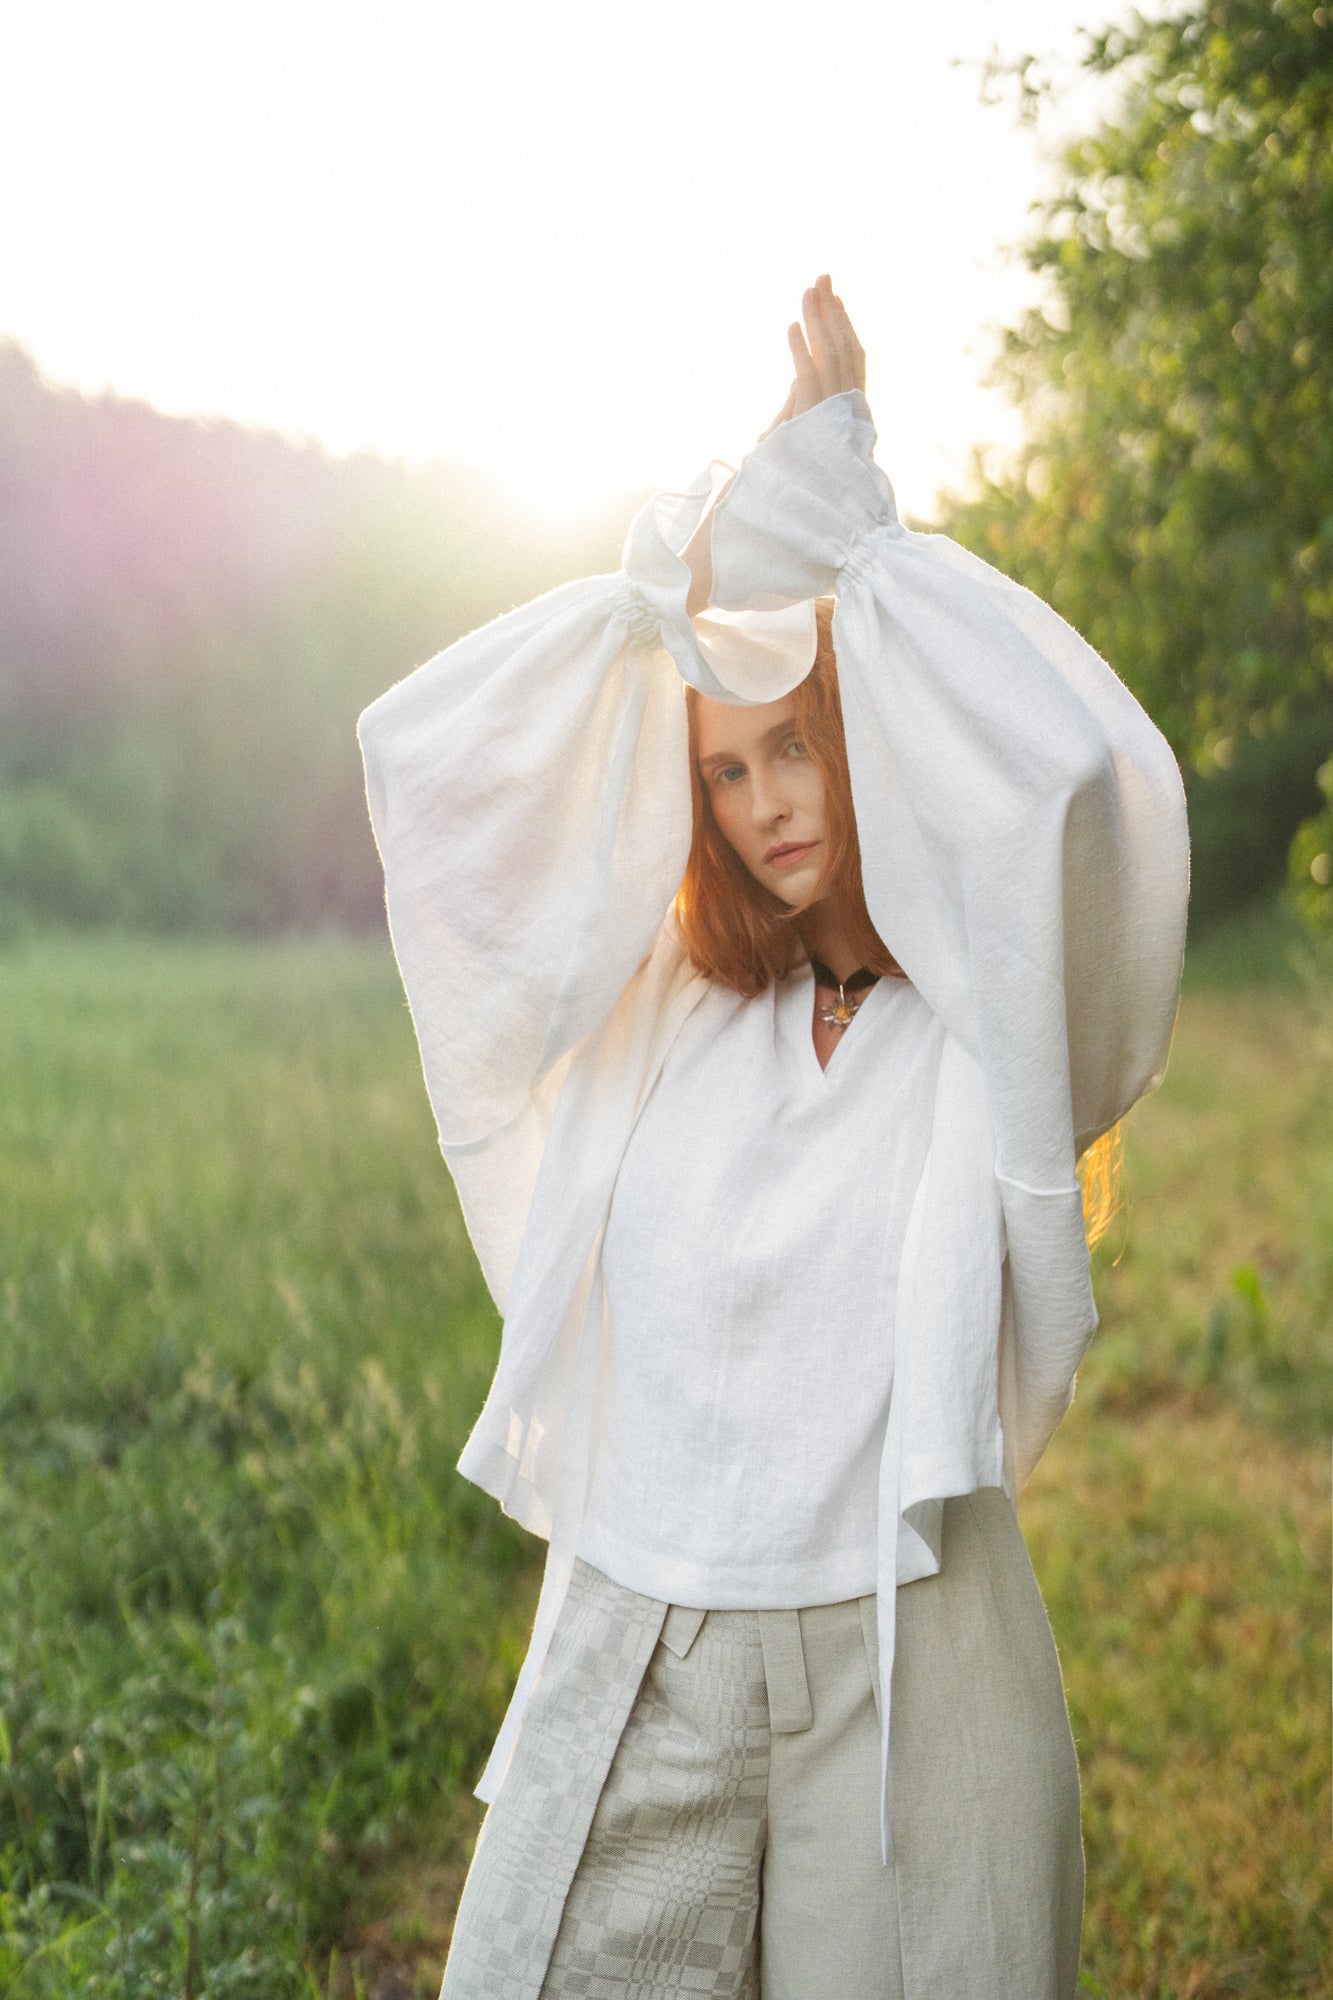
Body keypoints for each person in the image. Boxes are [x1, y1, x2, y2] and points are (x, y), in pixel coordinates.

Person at [356, 278, 1190, 2000]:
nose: (767, 808)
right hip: (644, 1637)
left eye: (795, 746)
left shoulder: (982, 1026)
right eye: (724, 773)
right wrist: (683, 584)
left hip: (906, 1662)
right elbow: (433, 770)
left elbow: (1071, 785)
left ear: (864, 733)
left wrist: (851, 541)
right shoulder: (663, 1004)